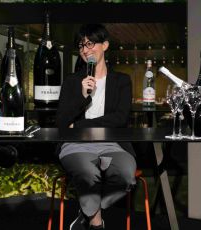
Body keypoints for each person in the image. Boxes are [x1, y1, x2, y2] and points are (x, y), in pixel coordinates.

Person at [56, 24, 136, 230]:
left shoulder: (122, 81)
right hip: (76, 144)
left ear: (105, 45)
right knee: (87, 172)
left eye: (90, 43)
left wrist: (81, 124)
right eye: (81, 45)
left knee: (126, 174)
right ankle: (96, 221)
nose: (85, 50)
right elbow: (62, 121)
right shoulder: (72, 82)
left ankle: (87, 210)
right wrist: (82, 96)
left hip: (112, 143)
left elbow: (119, 118)